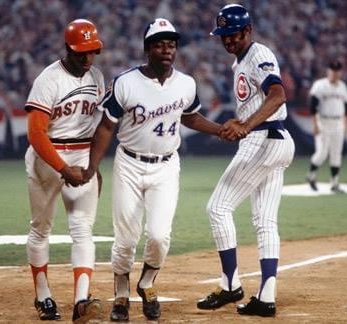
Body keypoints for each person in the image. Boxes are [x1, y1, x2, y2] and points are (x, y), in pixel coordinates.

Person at [82, 18, 237, 322]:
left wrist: (219, 130)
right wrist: (92, 167)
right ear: (147, 48)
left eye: (171, 44)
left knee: (158, 236)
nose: (167, 50)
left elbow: (190, 117)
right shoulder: (126, 82)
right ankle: (122, 292)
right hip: (129, 163)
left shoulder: (186, 83)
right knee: (126, 238)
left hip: (166, 166)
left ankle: (147, 283)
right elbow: (105, 127)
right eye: (159, 44)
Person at [197, 4, 295, 317]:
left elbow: (277, 95)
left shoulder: (258, 54)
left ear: (248, 30)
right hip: (273, 139)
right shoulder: (241, 60)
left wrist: (245, 125)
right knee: (265, 222)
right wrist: (241, 124)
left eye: (233, 34)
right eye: (223, 35)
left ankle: (230, 286)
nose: (228, 40)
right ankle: (267, 296)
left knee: (217, 207)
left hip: (264, 138)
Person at [23, 19, 105, 323]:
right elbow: (36, 133)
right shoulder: (49, 80)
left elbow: (100, 128)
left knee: (83, 228)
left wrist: (93, 166)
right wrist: (61, 167)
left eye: (92, 51)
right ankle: (43, 295)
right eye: (81, 52)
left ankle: (81, 301)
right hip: (49, 156)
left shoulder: (97, 76)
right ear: (67, 48)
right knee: (41, 227)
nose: (87, 58)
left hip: (82, 154)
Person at [306, 60, 347, 194]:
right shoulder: (320, 85)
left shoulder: (342, 86)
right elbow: (313, 106)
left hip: (338, 122)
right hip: (323, 122)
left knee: (336, 153)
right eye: (332, 70)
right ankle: (311, 175)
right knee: (322, 153)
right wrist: (314, 124)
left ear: (340, 72)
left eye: (337, 70)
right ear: (328, 71)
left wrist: (345, 124)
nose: (334, 73)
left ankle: (335, 182)